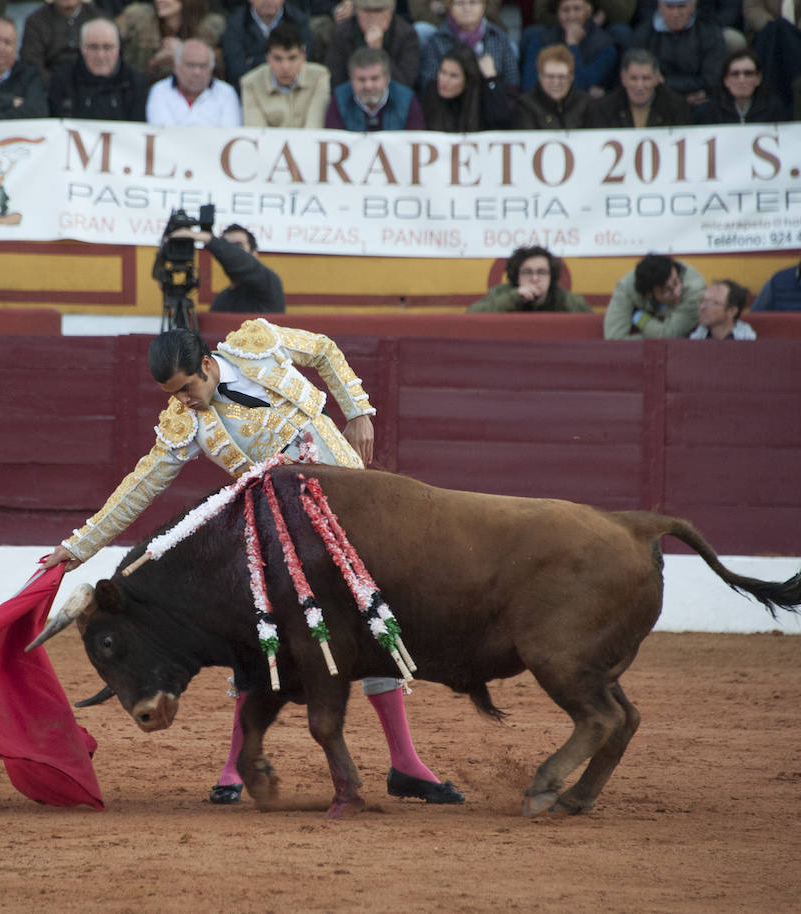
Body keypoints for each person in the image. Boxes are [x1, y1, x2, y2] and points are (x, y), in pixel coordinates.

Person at [42, 322, 464, 807]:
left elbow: (324, 351)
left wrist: (360, 411)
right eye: (172, 395)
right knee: (255, 637)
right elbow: (140, 487)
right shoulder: (188, 425)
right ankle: (234, 767)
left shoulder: (256, 344)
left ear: (205, 365)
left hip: (355, 504)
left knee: (374, 621)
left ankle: (406, 764)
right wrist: (78, 547)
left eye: (186, 388)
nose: (184, 401)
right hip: (286, 536)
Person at [169, 223, 284, 312]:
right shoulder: (222, 299)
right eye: (227, 246)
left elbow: (242, 264)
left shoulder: (270, 283)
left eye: (238, 246)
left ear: (254, 254)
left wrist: (208, 239)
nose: (232, 252)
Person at [48, 18, 148, 120]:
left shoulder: (136, 84)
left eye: (107, 47)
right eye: (93, 47)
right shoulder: (62, 81)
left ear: (118, 48)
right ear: (82, 48)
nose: (100, 55)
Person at [630, 0, 723, 108]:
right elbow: (639, 78)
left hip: (700, 101)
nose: (675, 13)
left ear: (693, 6)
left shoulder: (709, 33)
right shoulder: (643, 35)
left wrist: (664, 82)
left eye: (681, 6)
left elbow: (711, 79)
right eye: (670, 7)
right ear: (660, 6)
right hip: (656, 102)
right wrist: (681, 100)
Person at [240, 19, 331, 128]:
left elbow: (314, 129)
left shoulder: (319, 76)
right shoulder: (251, 83)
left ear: (303, 56)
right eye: (278, 59)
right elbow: (258, 136)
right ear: (267, 58)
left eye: (292, 58)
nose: (285, 67)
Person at [743, 0, 801, 110]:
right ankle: (767, 103)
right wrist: (775, 28)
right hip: (768, 34)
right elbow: (753, 9)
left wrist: (787, 33)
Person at [418, 0, 519, 92]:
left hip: (491, 104)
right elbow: (428, 85)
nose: (466, 8)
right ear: (450, 7)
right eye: (460, 3)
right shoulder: (438, 39)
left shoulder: (498, 37)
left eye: (473, 2)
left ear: (483, 6)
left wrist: (491, 80)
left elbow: (512, 85)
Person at [519, 0, 616, 95]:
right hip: (544, 107)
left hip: (585, 108)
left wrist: (573, 45)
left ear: (589, 11)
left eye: (577, 9)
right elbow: (530, 87)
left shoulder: (605, 46)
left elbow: (580, 86)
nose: (571, 16)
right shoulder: (542, 40)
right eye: (565, 10)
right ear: (558, 13)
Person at [115, 0, 224, 83]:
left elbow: (220, 65)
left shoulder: (209, 29)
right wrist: (155, 61)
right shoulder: (140, 19)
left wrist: (184, 52)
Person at [603, 253, 705, 339]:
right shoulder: (627, 287)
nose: (677, 292)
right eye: (667, 290)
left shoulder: (694, 289)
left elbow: (669, 335)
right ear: (649, 294)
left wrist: (640, 318)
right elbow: (615, 338)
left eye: (676, 282)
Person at [584, 47, 690, 127]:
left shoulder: (676, 107)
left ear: (657, 78)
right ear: (623, 78)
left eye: (646, 78)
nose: (640, 86)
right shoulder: (604, 108)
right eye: (633, 78)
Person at [325, 45, 424, 130]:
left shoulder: (407, 100)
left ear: (387, 78)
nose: (368, 86)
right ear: (351, 79)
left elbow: (415, 141)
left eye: (374, 78)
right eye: (361, 79)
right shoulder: (339, 99)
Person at [325, 0, 417, 89]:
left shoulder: (406, 34)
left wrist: (378, 50)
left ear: (389, 13)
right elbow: (336, 81)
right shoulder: (340, 34)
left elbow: (405, 85)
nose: (373, 17)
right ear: (357, 13)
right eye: (367, 11)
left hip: (395, 99)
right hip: (352, 98)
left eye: (379, 11)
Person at [145, 37, 239, 125]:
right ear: (176, 67)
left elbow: (229, 135)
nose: (197, 72)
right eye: (190, 65)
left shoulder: (226, 93)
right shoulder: (160, 91)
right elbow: (162, 135)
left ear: (211, 69)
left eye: (203, 66)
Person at [467, 245, 590, 312]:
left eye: (542, 272)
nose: (535, 278)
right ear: (516, 276)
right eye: (527, 272)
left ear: (551, 276)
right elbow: (471, 317)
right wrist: (514, 298)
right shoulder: (500, 294)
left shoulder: (566, 299)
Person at [221, 0, 312, 87]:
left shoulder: (299, 22)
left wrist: (254, 61)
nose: (268, 1)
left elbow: (305, 65)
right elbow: (237, 71)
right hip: (252, 92)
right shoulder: (235, 26)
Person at [418, 43, 508, 131]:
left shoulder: (480, 97)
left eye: (453, 76)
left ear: (468, 80)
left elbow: (500, 120)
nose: (444, 80)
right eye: (442, 72)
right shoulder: (430, 93)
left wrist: (491, 79)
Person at [19, 0, 104, 88]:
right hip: (49, 88)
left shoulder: (99, 19)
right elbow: (31, 62)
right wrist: (56, 86)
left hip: (92, 85)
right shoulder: (36, 21)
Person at [693, 47, 787, 123]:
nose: (741, 80)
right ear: (726, 80)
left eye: (748, 73)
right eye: (735, 74)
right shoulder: (709, 111)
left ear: (758, 79)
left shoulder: (773, 108)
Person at [512, 42, 590, 127]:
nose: (556, 82)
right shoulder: (525, 106)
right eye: (550, 76)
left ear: (571, 77)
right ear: (540, 77)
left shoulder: (586, 104)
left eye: (561, 77)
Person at [689, 279, 756, 339]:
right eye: (702, 301)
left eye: (712, 303)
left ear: (731, 311)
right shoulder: (694, 335)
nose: (702, 307)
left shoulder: (747, 341)